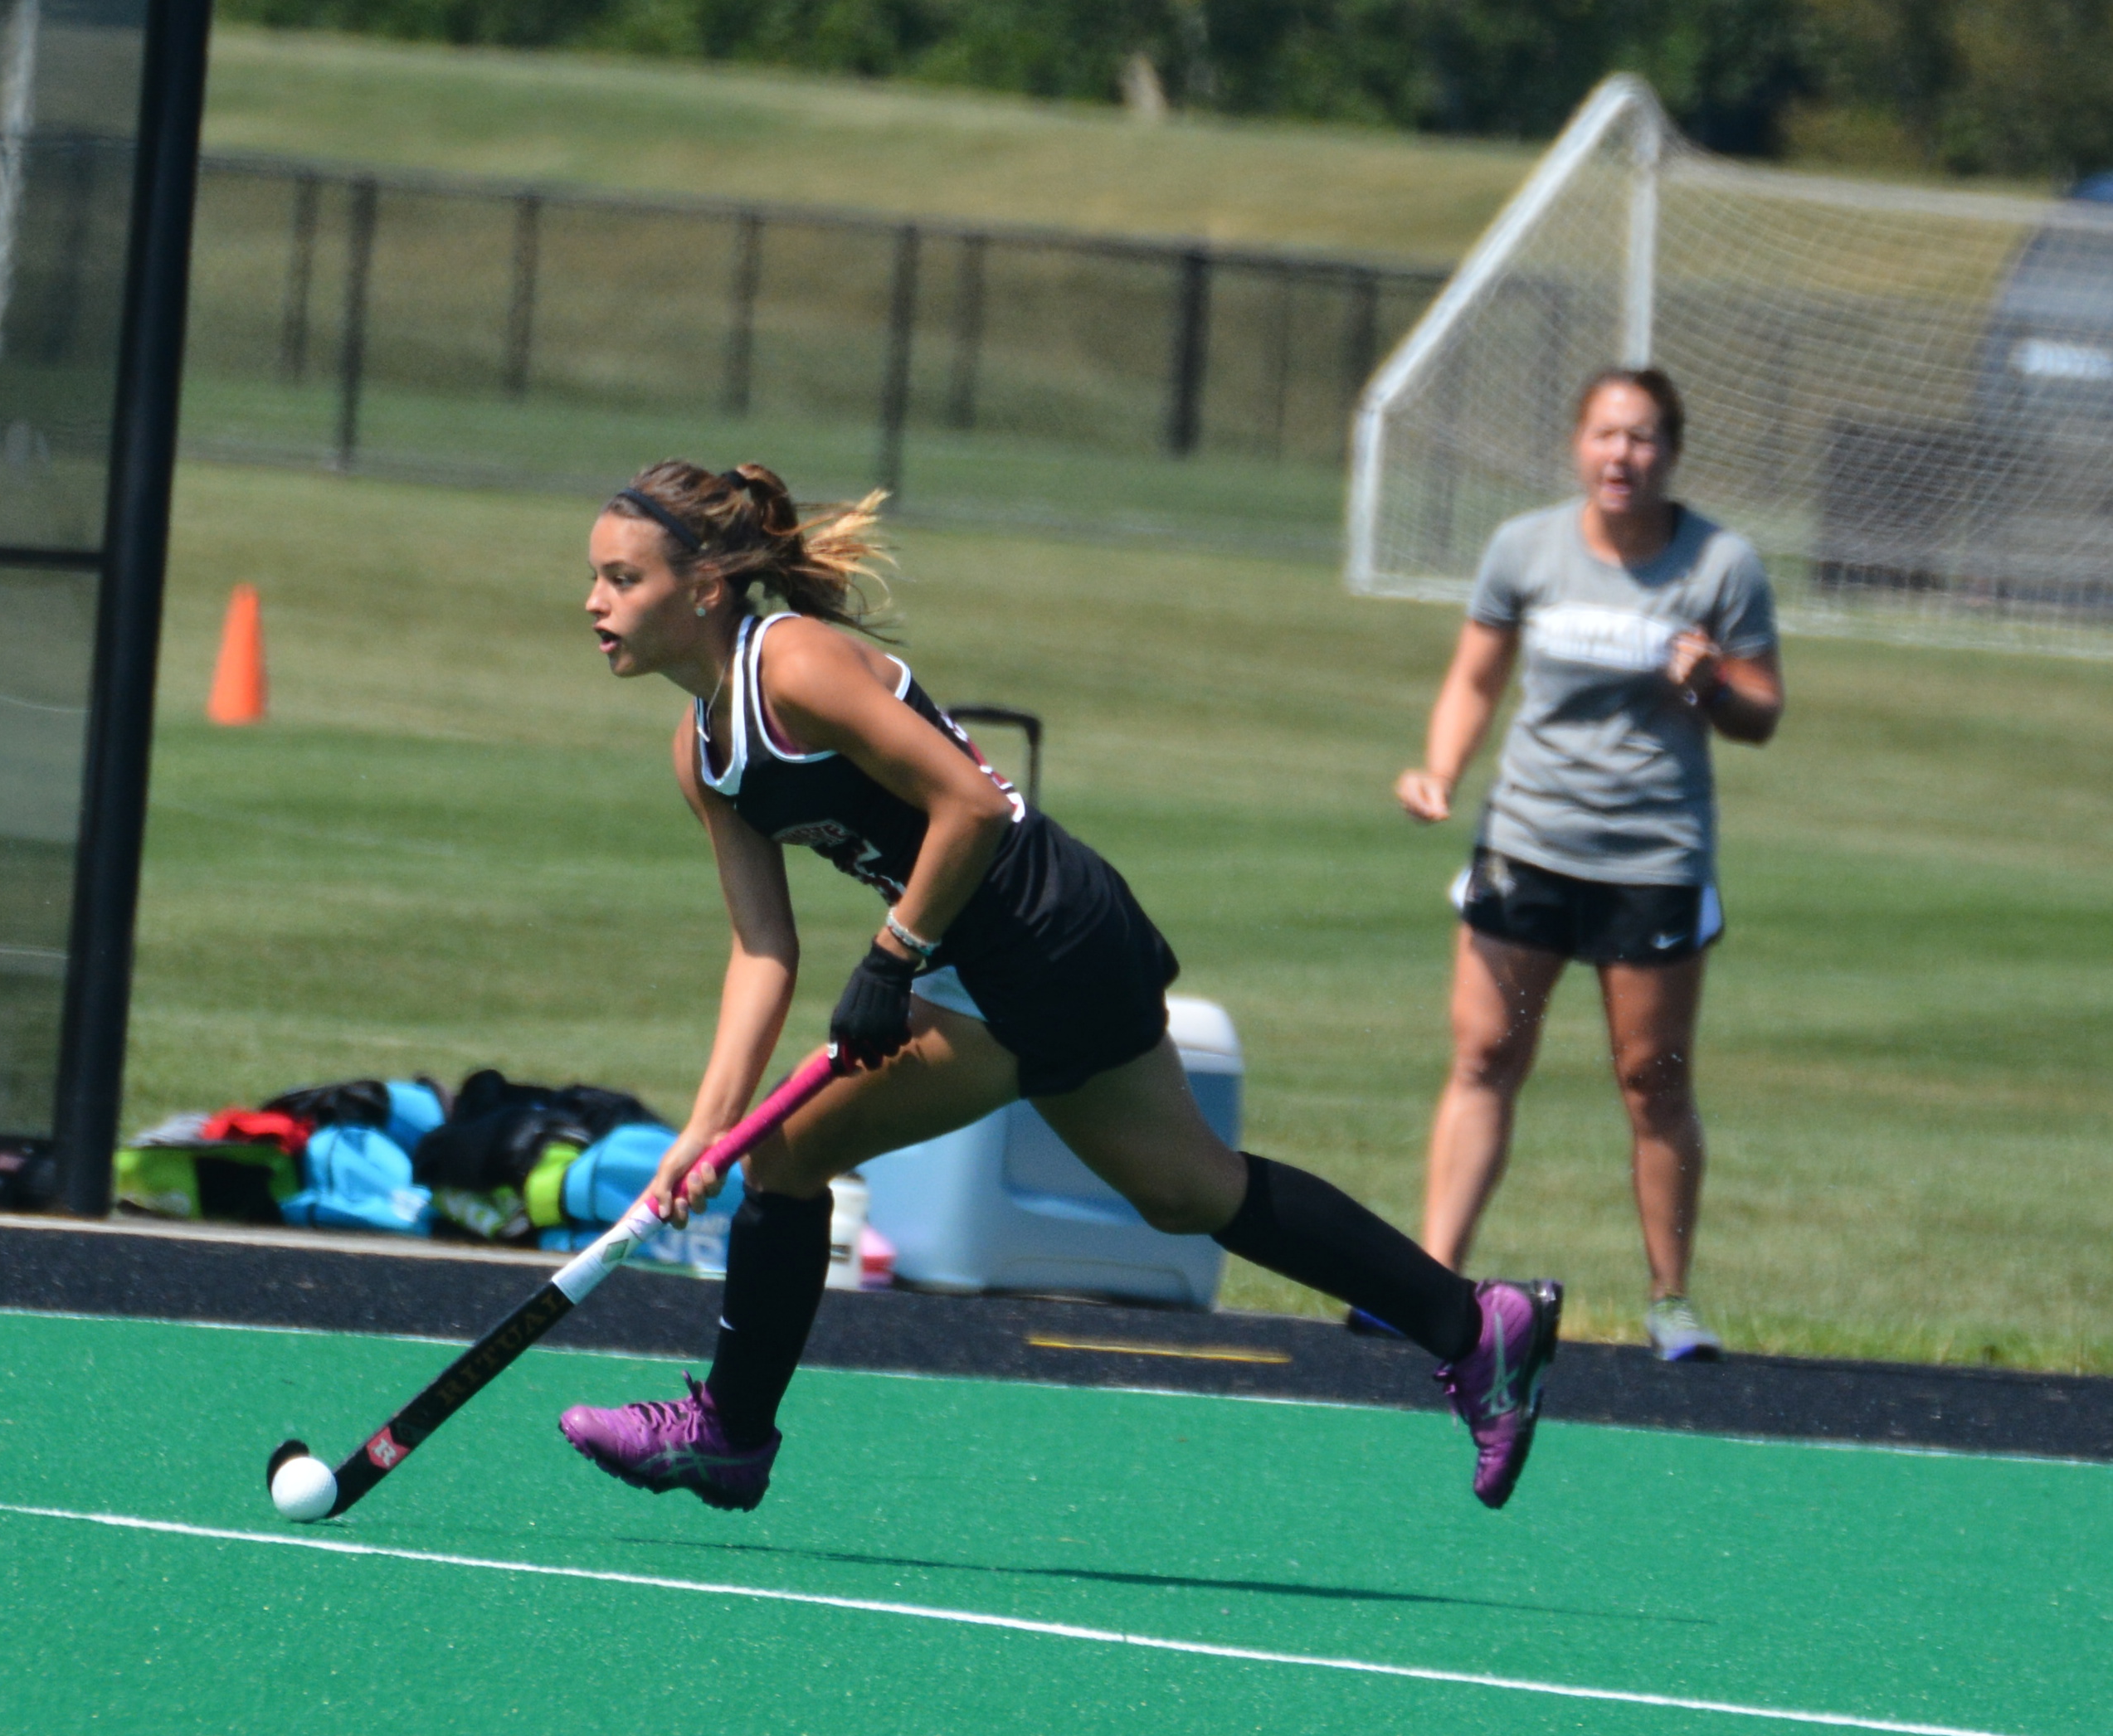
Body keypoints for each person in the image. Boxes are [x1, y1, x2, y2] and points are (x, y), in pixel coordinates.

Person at [557, 460, 1563, 1512]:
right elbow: (762, 947)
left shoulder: (795, 667)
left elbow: (973, 806)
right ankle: (1475, 1325)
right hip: (996, 945)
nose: (594, 603)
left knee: (790, 1155)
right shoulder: (702, 750)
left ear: (705, 586)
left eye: (622, 579)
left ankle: (728, 1432)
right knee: (1186, 1190)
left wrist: (892, 955)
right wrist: (704, 1126)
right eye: (596, 578)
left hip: (1038, 933)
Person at [1395, 368, 1783, 1362]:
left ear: (1671, 452)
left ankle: (1670, 1298)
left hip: (1652, 856)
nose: (1622, 455)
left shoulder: (1721, 564)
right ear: (1577, 444)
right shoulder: (1524, 548)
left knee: (1652, 1079)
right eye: (1606, 434)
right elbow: (1474, 676)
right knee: (1485, 1056)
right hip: (1526, 842)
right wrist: (1439, 769)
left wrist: (1711, 688)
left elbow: (1761, 713)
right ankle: (1432, 1281)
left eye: (1643, 437)